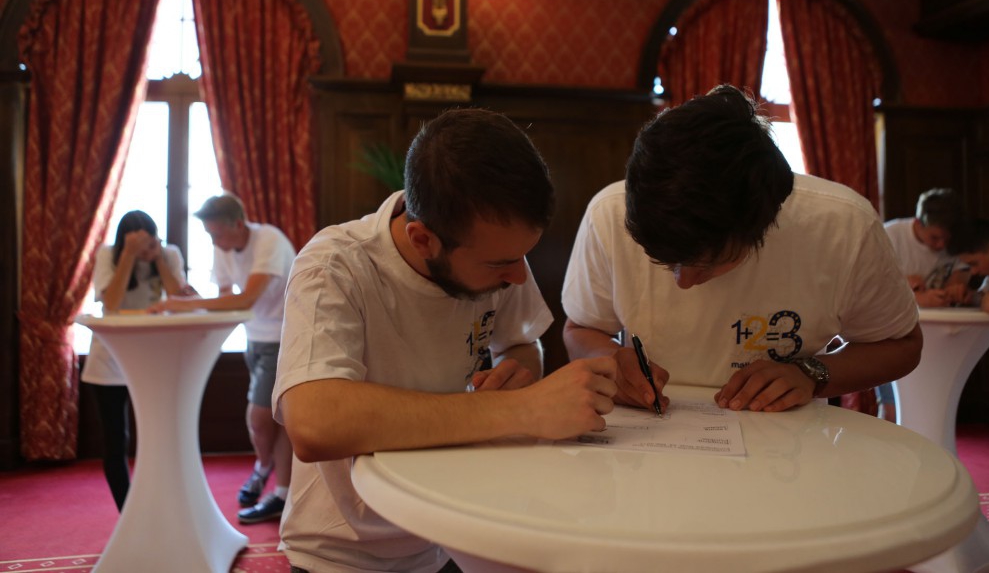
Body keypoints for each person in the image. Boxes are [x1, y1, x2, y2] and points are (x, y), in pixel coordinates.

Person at [273, 108, 617, 573]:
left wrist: (518, 372)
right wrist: (522, 409)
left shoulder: (499, 256)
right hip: (344, 552)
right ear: (422, 240)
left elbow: (521, 343)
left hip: (450, 531)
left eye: (522, 257)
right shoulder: (335, 266)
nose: (518, 276)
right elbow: (314, 423)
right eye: (500, 264)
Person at [562, 84, 922, 415]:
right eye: (666, 263)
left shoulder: (844, 226)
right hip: (648, 429)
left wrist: (812, 372)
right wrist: (611, 361)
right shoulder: (609, 214)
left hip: (788, 441)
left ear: (763, 225)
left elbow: (903, 345)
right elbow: (581, 328)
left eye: (706, 264)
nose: (683, 283)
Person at [149, 193, 296, 524]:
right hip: (254, 338)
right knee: (272, 420)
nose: (214, 242)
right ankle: (275, 484)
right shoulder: (223, 248)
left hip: (284, 338)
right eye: (210, 235)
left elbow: (245, 299)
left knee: (261, 417)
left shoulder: (269, 240)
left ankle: (268, 476)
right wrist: (196, 301)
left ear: (238, 224)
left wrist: (183, 305)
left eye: (216, 234)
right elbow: (226, 299)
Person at [82, 210, 191, 510]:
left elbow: (178, 299)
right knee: (116, 441)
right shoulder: (108, 255)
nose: (145, 251)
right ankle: (127, 513)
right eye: (137, 245)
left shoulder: (169, 254)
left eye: (150, 243)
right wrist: (128, 256)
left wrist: (158, 258)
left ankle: (158, 506)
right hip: (109, 362)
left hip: (154, 361)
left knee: (159, 437)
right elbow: (112, 303)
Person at [883, 187, 969, 307]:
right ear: (918, 223)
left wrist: (955, 291)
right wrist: (910, 293)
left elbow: (960, 276)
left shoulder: (960, 239)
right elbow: (870, 288)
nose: (942, 245)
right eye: (935, 237)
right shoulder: (887, 236)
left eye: (947, 239)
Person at [947, 217, 989, 314]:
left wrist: (987, 299)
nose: (973, 271)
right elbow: (984, 295)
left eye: (974, 263)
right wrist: (970, 296)